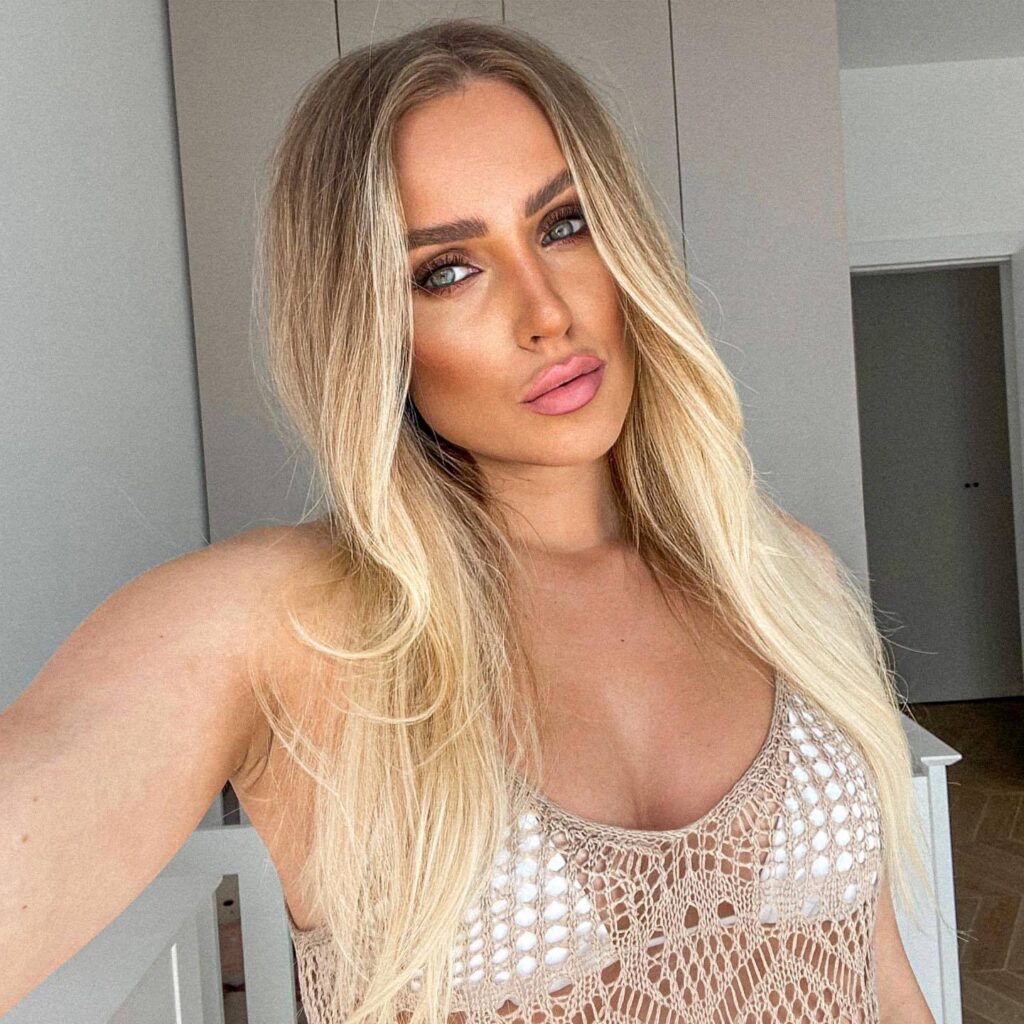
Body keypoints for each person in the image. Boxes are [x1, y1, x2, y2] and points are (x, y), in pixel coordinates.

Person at [1, 18, 938, 1024]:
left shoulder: (784, 575)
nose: (546, 312)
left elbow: (879, 982)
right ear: (370, 328)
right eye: (446, 270)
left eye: (564, 224)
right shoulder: (285, 630)